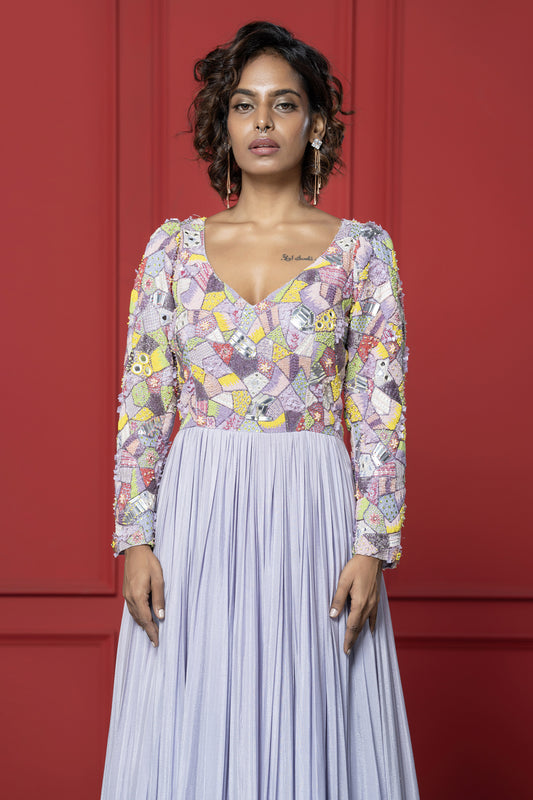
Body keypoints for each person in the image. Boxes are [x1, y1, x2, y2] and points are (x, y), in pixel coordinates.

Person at [101, 20, 419, 800]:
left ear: (315, 123)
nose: (263, 122)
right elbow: (144, 402)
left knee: (309, 713)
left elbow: (379, 409)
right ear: (225, 122)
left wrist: (372, 548)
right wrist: (134, 539)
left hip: (312, 511)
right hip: (199, 507)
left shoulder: (360, 253)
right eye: (244, 104)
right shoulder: (171, 250)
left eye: (284, 103)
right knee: (195, 710)